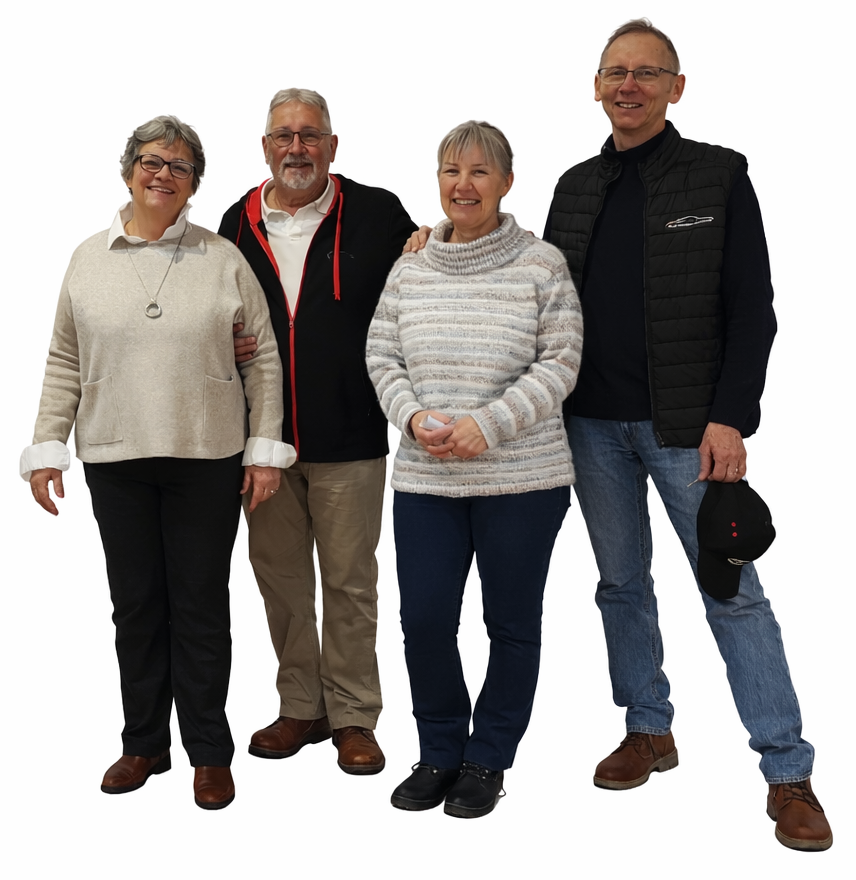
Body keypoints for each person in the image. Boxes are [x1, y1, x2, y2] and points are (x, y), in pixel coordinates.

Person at [543, 19, 832, 851]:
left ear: (677, 86)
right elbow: (536, 290)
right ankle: (648, 729)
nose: (628, 86)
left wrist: (732, 416)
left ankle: (788, 772)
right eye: (614, 72)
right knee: (621, 586)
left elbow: (754, 306)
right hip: (590, 426)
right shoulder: (573, 187)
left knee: (733, 594)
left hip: (687, 432)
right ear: (596, 86)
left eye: (646, 73)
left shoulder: (717, 174)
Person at [21, 116, 294, 810]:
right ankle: (143, 742)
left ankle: (209, 750)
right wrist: (46, 443)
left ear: (194, 183)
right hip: (116, 457)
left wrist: (265, 450)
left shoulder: (222, 258)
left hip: (204, 455)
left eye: (178, 165)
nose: (162, 173)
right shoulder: (88, 258)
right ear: (128, 171)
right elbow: (63, 358)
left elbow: (262, 357)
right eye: (150, 160)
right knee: (137, 607)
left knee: (200, 607)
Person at [366, 121, 582, 818]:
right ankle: (438, 751)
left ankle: (487, 760)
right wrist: (412, 416)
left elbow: (560, 362)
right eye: (451, 171)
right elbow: (381, 357)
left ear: (507, 183)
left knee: (510, 624)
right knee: (425, 620)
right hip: (427, 479)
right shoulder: (411, 266)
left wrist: (484, 426)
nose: (463, 184)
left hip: (522, 479)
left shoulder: (541, 264)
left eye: (480, 172)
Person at [218, 89, 416, 774]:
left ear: (333, 146)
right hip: (262, 443)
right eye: (283, 135)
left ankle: (355, 715)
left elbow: (425, 281)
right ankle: (302, 705)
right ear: (265, 147)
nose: (296, 147)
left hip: (352, 438)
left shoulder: (379, 212)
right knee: (279, 580)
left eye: (310, 135)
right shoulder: (235, 224)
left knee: (351, 583)